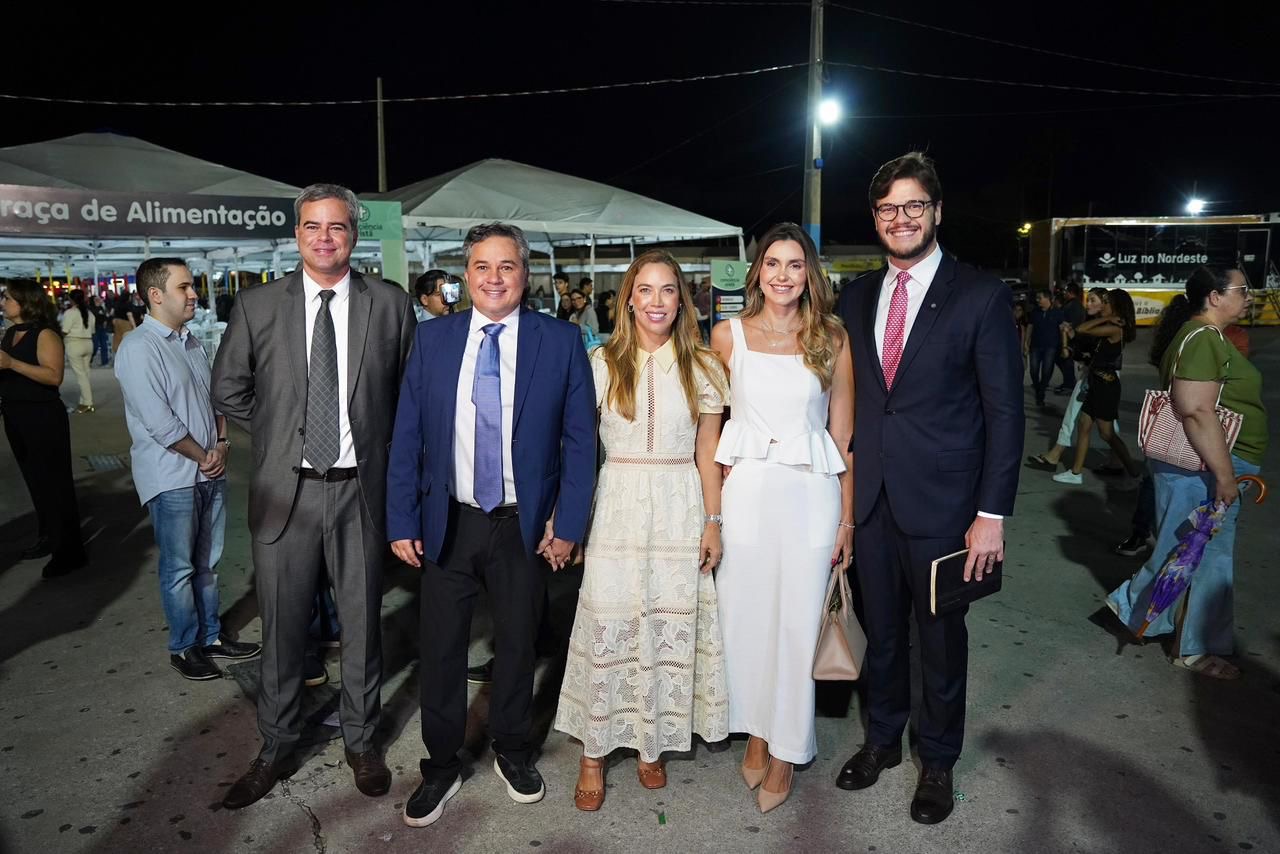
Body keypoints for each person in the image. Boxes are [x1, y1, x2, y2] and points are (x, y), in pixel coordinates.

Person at [212, 183, 415, 809]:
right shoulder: (257, 305)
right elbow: (228, 388)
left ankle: (362, 741)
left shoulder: (390, 303)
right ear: (297, 234)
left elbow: (409, 396)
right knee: (282, 629)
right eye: (311, 226)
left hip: (361, 493)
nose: (324, 238)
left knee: (362, 625)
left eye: (336, 226)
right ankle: (275, 746)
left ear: (353, 233)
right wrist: (280, 437)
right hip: (287, 494)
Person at [386, 222, 596, 829]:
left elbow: (580, 442)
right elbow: (408, 435)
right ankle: (441, 764)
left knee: (518, 643)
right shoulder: (433, 339)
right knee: (441, 648)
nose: (494, 278)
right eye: (482, 266)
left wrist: (568, 523)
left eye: (507, 266)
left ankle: (512, 748)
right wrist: (401, 517)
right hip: (448, 520)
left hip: (521, 525)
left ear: (525, 274)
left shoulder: (560, 341)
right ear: (466, 275)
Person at [835, 152, 1023, 825]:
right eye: (888, 208)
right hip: (872, 499)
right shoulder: (856, 297)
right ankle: (883, 740)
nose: (901, 218)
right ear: (875, 218)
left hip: (947, 507)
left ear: (937, 211)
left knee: (940, 638)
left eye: (914, 205)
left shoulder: (980, 295)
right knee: (882, 633)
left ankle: (937, 760)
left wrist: (991, 514)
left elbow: (1005, 413)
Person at [553, 250, 729, 811]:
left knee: (662, 622)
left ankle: (650, 743)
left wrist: (713, 522)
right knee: (610, 622)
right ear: (628, 299)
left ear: (682, 301)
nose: (656, 301)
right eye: (645, 290)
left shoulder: (704, 366)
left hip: (680, 505)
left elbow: (709, 451)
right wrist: (568, 519)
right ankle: (593, 753)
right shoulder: (600, 362)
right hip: (618, 505)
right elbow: (577, 449)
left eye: (668, 290)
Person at [711, 222, 854, 814]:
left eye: (795, 265)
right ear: (757, 272)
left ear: (809, 274)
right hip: (746, 493)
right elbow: (711, 425)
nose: (783, 275)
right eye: (772, 263)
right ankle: (756, 730)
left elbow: (842, 437)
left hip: (811, 496)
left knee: (797, 625)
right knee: (745, 620)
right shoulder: (726, 336)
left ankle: (787, 750)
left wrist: (847, 521)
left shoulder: (831, 337)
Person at [1106, 267, 1267, 680]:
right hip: (1206, 466)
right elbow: (1195, 410)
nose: (1249, 296)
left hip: (1206, 464)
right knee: (1206, 556)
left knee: (1190, 551)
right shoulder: (1203, 338)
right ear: (1214, 296)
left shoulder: (1204, 336)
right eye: (1242, 289)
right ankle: (1192, 647)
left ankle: (1153, 619)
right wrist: (1226, 476)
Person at [115, 259, 262, 681]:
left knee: (208, 563)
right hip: (173, 476)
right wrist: (203, 455)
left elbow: (218, 399)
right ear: (155, 295)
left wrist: (222, 444)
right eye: (184, 287)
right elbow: (158, 421)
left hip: (209, 469)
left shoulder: (191, 342)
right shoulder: (139, 348)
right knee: (180, 567)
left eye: (192, 285)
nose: (193, 294)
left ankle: (211, 636)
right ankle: (184, 646)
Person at [0, 280, 88, 577]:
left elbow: (53, 377)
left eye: (7, 297)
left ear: (25, 302)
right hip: (15, 414)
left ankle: (69, 552)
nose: (3, 302)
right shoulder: (10, 333)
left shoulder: (45, 334)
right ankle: (49, 536)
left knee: (55, 483)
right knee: (35, 481)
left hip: (42, 416)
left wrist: (11, 363)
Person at [1051, 289, 1142, 485]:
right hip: (1096, 382)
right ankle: (1075, 473)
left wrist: (1105, 318)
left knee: (1107, 433)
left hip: (1106, 386)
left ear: (1116, 307)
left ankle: (1135, 473)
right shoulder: (1111, 325)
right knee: (1084, 424)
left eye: (1107, 303)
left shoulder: (1115, 328)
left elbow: (1082, 329)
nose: (1103, 306)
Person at [1024, 287, 1110, 471]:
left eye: (1093, 300)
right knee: (1082, 421)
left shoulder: (1110, 325)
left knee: (1104, 428)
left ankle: (1122, 464)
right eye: (1088, 300)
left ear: (1105, 303)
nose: (1088, 304)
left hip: (1103, 378)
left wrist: (1073, 336)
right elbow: (1083, 345)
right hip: (1090, 375)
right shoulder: (1095, 322)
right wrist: (1070, 340)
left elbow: (1087, 338)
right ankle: (1061, 461)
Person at [60, 289, 95, 413]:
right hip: (88, 343)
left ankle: (88, 403)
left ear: (71, 299)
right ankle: (83, 401)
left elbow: (65, 330)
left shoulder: (70, 313)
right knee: (85, 374)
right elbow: (93, 331)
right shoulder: (90, 313)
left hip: (74, 343)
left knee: (81, 376)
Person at [1026, 290, 1062, 408]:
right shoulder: (1035, 312)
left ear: (1047, 298)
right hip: (1035, 345)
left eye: (1039, 298)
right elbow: (1030, 326)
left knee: (1047, 371)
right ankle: (1038, 388)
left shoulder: (1057, 312)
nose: (1037, 300)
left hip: (1051, 347)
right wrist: (1026, 342)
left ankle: (1040, 393)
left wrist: (1064, 346)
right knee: (1033, 371)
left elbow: (1062, 329)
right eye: (1037, 298)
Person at [1054, 282, 1086, 393]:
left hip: (1069, 339)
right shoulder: (1073, 304)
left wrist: (1065, 342)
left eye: (1065, 291)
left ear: (1070, 292)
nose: (1064, 293)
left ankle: (1069, 384)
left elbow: (1070, 324)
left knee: (1065, 361)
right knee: (1064, 360)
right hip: (1070, 338)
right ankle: (1069, 382)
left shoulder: (1073, 306)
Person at [89, 294, 111, 366]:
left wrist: (103, 306)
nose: (98, 300)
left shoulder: (102, 307)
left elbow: (107, 315)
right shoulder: (91, 308)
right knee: (95, 345)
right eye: (96, 299)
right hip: (94, 328)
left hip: (102, 327)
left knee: (104, 344)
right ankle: (90, 358)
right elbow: (94, 316)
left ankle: (105, 361)